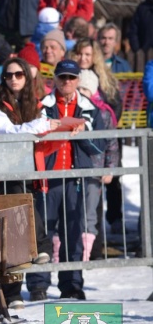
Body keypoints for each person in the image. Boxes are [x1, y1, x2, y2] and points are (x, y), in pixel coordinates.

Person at [26, 59, 105, 301]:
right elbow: (31, 138)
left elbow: (98, 146)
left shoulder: (89, 108)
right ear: (55, 80)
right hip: (47, 179)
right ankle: (38, 285)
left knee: (73, 233)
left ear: (78, 80)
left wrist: (82, 135)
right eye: (63, 77)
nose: (67, 82)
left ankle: (71, 285)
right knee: (42, 233)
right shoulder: (43, 106)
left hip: (74, 180)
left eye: (71, 77)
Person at [0, 57, 57, 309]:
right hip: (3, 171)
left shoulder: (36, 99)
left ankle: (40, 250)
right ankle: (12, 292)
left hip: (30, 169)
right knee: (10, 232)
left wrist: (51, 125)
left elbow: (52, 121)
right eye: (8, 75)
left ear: (27, 77)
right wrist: (40, 125)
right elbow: (6, 130)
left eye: (18, 74)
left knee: (25, 220)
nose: (13, 79)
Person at [74, 67, 119, 261]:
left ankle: (85, 253)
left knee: (90, 212)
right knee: (70, 211)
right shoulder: (72, 110)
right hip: (73, 169)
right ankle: (65, 255)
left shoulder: (103, 114)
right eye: (80, 89)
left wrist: (110, 168)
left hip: (94, 170)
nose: (82, 94)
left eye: (86, 90)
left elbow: (112, 144)